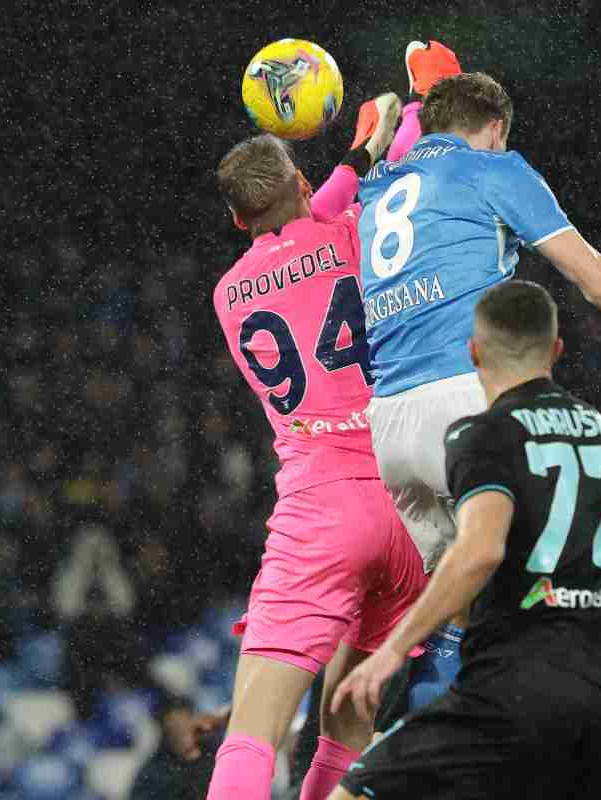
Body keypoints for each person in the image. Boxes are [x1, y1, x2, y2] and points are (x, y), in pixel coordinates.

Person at [356, 67, 601, 580]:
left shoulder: (375, 186)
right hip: (464, 402)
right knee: (562, 584)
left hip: (388, 427)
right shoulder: (492, 170)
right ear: (496, 129)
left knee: (460, 612)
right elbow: (597, 282)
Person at [327, 280, 601, 800]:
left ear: (473, 352)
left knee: (355, 793)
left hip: (512, 689)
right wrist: (587, 608)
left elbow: (480, 550)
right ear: (557, 350)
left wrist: (392, 653)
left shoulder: (483, 434)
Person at [205, 97, 431, 800]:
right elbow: (407, 156)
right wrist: (404, 111)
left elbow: (296, 236)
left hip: (321, 505)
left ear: (238, 219)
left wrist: (347, 167)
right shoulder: (360, 232)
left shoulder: (230, 293)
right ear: (303, 184)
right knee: (345, 727)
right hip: (407, 504)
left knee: (251, 734)